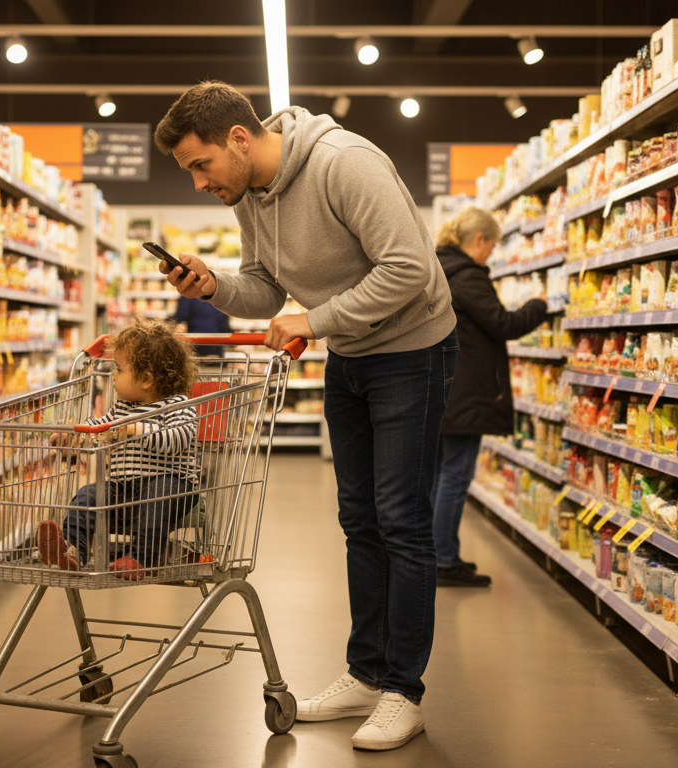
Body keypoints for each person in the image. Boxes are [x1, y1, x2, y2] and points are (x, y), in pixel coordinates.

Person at [153, 81, 456, 752]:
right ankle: (367, 674)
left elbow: (409, 268)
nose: (199, 182)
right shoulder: (248, 195)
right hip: (351, 352)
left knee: (402, 521)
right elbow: (265, 290)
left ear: (239, 138)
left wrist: (314, 321)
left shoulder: (344, 163)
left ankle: (404, 691)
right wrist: (214, 287)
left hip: (413, 349)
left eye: (201, 164)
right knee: (360, 519)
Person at [430, 208, 548, 588]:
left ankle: (433, 555)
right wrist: (538, 305)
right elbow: (502, 323)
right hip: (466, 394)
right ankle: (443, 560)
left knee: (439, 474)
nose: (491, 255)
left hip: (442, 388)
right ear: (478, 240)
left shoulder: (438, 268)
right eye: (492, 246)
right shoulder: (467, 276)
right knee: (455, 476)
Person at [39, 319, 200, 581]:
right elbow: (99, 428)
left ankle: (141, 559)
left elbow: (179, 438)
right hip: (124, 490)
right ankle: (72, 550)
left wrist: (138, 430)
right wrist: (74, 435)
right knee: (88, 496)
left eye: (120, 369)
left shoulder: (177, 405)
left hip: (171, 489)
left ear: (146, 379)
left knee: (156, 494)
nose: (114, 375)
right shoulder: (122, 408)